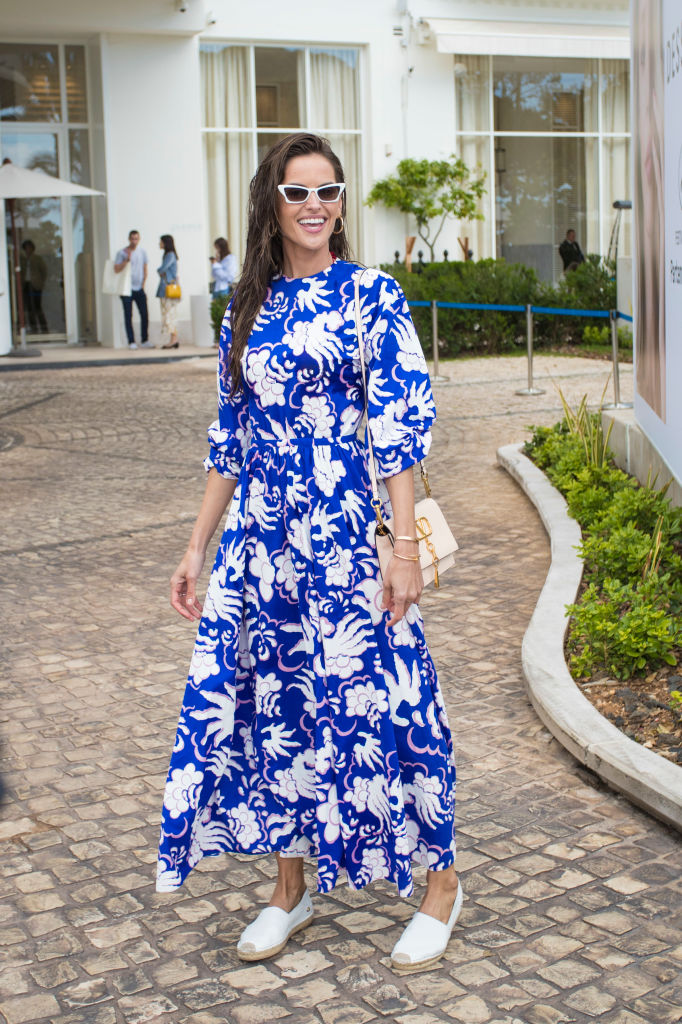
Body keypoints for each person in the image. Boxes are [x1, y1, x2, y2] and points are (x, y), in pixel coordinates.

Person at [156, 133, 460, 974]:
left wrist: (402, 545)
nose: (316, 205)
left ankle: (442, 884)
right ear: (272, 203)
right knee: (276, 709)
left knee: (392, 700)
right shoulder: (245, 310)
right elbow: (230, 438)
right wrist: (196, 547)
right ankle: (292, 887)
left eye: (329, 190)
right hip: (263, 544)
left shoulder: (372, 295)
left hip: (347, 536)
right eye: (298, 193)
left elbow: (398, 425)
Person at [114, 230, 152, 349]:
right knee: (128, 315)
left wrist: (143, 283)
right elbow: (116, 269)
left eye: (136, 238)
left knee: (144, 314)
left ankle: (145, 340)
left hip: (139, 288)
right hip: (127, 289)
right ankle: (131, 341)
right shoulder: (122, 253)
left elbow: (145, 268)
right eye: (132, 239)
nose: (134, 241)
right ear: (129, 239)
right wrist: (127, 260)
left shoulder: (142, 252)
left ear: (139, 239)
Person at [156, 234, 180, 349]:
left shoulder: (170, 255)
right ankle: (173, 339)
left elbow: (162, 269)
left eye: (160, 242)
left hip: (168, 289)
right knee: (169, 314)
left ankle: (173, 340)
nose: (159, 244)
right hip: (168, 288)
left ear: (165, 243)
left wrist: (159, 270)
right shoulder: (169, 255)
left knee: (169, 315)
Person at [20, 240, 48, 333]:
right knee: (29, 308)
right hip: (26, 285)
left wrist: (40, 282)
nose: (28, 249)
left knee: (37, 307)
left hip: (35, 285)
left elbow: (44, 272)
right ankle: (34, 329)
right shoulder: (22, 259)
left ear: (33, 248)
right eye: (26, 247)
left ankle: (44, 329)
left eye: (29, 247)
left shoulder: (37, 258)